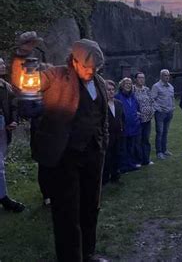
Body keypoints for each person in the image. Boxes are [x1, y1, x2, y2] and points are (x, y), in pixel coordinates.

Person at [11, 33, 109, 262]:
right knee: (67, 212)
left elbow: (102, 116)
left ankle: (88, 253)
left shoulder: (100, 82)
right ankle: (71, 258)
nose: (91, 72)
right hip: (64, 156)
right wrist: (22, 55)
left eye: (96, 68)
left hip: (93, 154)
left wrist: (103, 141)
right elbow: (22, 83)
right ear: (74, 60)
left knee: (90, 207)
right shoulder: (55, 75)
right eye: (87, 67)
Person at [0, 57, 24, 213]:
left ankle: (3, 196)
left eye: (2, 63)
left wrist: (13, 121)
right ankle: (3, 198)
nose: (3, 66)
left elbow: (14, 105)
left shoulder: (6, 86)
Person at [115, 78, 141, 172]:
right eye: (126, 83)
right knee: (123, 148)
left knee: (131, 147)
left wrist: (138, 117)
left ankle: (131, 164)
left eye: (130, 83)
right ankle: (123, 166)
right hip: (123, 126)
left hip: (133, 126)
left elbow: (137, 108)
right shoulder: (117, 97)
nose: (128, 85)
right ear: (122, 85)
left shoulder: (133, 97)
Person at [102, 80, 124, 185]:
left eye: (112, 90)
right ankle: (105, 179)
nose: (111, 92)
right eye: (108, 90)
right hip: (106, 136)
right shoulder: (101, 105)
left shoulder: (118, 104)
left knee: (117, 156)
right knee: (106, 158)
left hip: (117, 136)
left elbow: (122, 118)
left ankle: (116, 176)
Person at [151, 69, 175, 159]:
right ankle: (159, 152)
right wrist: (158, 109)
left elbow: (172, 99)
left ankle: (165, 150)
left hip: (169, 112)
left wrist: (173, 108)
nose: (167, 77)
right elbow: (152, 99)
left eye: (168, 75)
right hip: (160, 113)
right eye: (165, 75)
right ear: (161, 76)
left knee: (165, 132)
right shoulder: (156, 86)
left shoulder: (171, 87)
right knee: (160, 132)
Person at [133, 72, 154, 165]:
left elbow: (151, 101)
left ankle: (146, 159)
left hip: (148, 119)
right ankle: (138, 160)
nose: (141, 79)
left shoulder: (147, 89)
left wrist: (152, 110)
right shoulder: (132, 89)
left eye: (143, 78)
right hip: (138, 120)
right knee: (138, 140)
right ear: (135, 79)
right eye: (139, 78)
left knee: (146, 140)